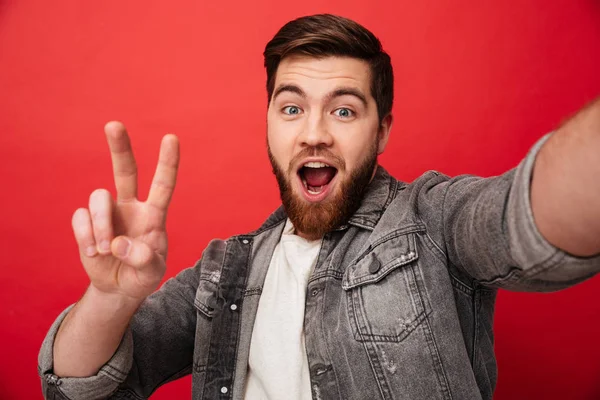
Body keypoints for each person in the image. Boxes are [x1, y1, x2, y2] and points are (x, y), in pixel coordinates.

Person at [38, 14, 600, 400]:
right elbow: (77, 387)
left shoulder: (432, 221)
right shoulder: (222, 273)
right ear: (267, 124)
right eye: (290, 109)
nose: (313, 134)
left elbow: (525, 217)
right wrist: (111, 299)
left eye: (344, 111)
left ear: (381, 132)